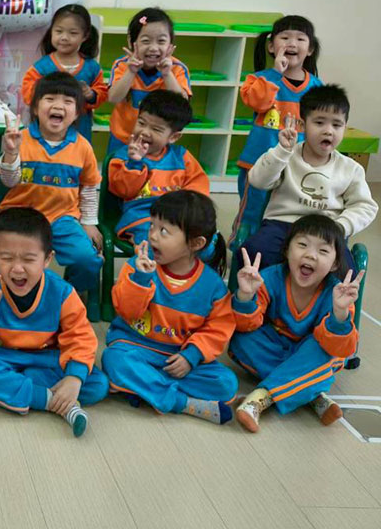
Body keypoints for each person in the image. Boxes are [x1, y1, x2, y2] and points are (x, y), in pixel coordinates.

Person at [0, 207, 108, 436]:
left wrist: (73, 378)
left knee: (97, 384)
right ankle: (50, 400)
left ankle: (23, 386)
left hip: (45, 359)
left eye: (29, 259)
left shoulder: (62, 292)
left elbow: (80, 337)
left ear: (48, 259)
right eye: (6, 258)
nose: (17, 268)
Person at [101, 191, 238, 425]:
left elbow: (218, 329)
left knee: (226, 384)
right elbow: (126, 311)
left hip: (178, 356)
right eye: (151, 225)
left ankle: (143, 388)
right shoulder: (138, 266)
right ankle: (181, 403)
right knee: (114, 360)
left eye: (163, 231)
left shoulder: (212, 285)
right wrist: (141, 280)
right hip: (135, 347)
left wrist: (191, 356)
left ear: (195, 243)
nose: (152, 235)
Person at [231, 216, 363, 433]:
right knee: (240, 339)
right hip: (277, 347)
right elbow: (245, 325)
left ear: (335, 264)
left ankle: (259, 398)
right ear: (286, 250)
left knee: (326, 353)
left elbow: (344, 349)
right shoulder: (269, 278)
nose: (310, 254)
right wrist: (245, 297)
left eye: (323, 251)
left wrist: (340, 314)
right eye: (302, 244)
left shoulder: (338, 293)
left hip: (312, 352)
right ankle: (311, 391)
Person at [240, 84, 377, 271]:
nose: (328, 131)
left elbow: (366, 206)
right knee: (253, 253)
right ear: (303, 125)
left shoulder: (350, 169)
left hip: (327, 231)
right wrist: (282, 151)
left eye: (337, 125)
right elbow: (257, 180)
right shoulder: (285, 155)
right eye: (319, 123)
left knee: (345, 271)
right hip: (283, 225)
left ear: (345, 128)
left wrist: (341, 226)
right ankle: (261, 290)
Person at [0, 72, 102, 295]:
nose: (58, 105)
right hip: (20, 215)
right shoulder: (20, 139)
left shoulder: (83, 147)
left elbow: (89, 188)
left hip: (62, 217)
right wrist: (11, 154)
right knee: (3, 260)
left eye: (67, 101)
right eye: (50, 99)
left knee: (87, 259)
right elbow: (9, 181)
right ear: (36, 108)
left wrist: (89, 222)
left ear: (77, 113)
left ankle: (67, 296)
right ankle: (13, 296)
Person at [231, 15, 323, 243]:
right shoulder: (259, 79)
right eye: (285, 37)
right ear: (271, 46)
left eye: (300, 39)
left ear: (310, 49)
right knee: (252, 212)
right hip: (258, 163)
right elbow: (257, 103)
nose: (292, 43)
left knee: (287, 213)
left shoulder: (317, 87)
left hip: (296, 166)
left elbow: (320, 123)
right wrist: (275, 74)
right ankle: (243, 248)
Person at [107, 90, 223, 267]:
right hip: (143, 219)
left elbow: (197, 191)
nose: (145, 132)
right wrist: (134, 163)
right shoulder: (123, 156)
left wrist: (189, 214)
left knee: (205, 248)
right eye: (141, 123)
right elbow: (123, 190)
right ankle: (151, 280)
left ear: (173, 137)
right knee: (154, 248)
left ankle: (190, 281)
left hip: (178, 218)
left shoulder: (182, 157)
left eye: (156, 129)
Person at [106, 7, 191, 152]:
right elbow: (113, 98)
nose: (153, 48)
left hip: (157, 142)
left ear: (170, 45)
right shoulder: (123, 65)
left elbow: (182, 104)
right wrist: (131, 72)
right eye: (146, 41)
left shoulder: (177, 68)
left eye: (161, 41)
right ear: (132, 42)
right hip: (123, 137)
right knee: (118, 167)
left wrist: (167, 74)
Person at [20, 4, 107, 141]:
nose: (64, 37)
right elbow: (27, 93)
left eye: (73, 33)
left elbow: (102, 92)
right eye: (59, 31)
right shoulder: (42, 66)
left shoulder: (92, 67)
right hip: (46, 130)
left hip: (80, 130)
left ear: (85, 36)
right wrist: (46, 94)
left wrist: (90, 94)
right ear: (51, 32)